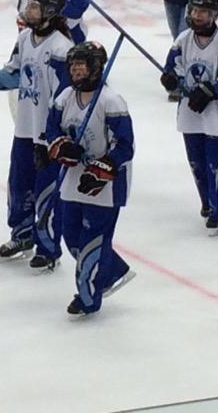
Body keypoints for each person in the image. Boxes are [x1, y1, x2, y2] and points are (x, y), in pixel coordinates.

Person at [0, 0, 73, 270]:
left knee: (47, 190)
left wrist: (50, 139)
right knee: (19, 184)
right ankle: (22, 235)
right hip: (24, 128)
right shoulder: (25, 39)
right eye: (29, 6)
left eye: (36, 7)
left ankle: (48, 247)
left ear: (50, 12)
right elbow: (14, 74)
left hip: (48, 135)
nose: (29, 11)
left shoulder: (61, 48)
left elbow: (65, 97)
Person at [44, 41, 135, 318]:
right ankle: (113, 271)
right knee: (70, 234)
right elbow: (51, 131)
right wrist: (62, 148)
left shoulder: (111, 101)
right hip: (73, 179)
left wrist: (101, 169)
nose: (76, 71)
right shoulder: (65, 98)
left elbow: (125, 146)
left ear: (96, 68)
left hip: (105, 186)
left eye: (82, 65)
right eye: (73, 66)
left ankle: (88, 298)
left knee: (92, 241)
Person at [159, 0, 218, 235]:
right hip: (190, 115)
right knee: (197, 163)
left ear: (214, 16)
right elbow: (172, 66)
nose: (197, 16)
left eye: (204, 12)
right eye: (195, 11)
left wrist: (210, 91)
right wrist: (170, 79)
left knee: (217, 164)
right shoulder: (183, 39)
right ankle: (207, 203)